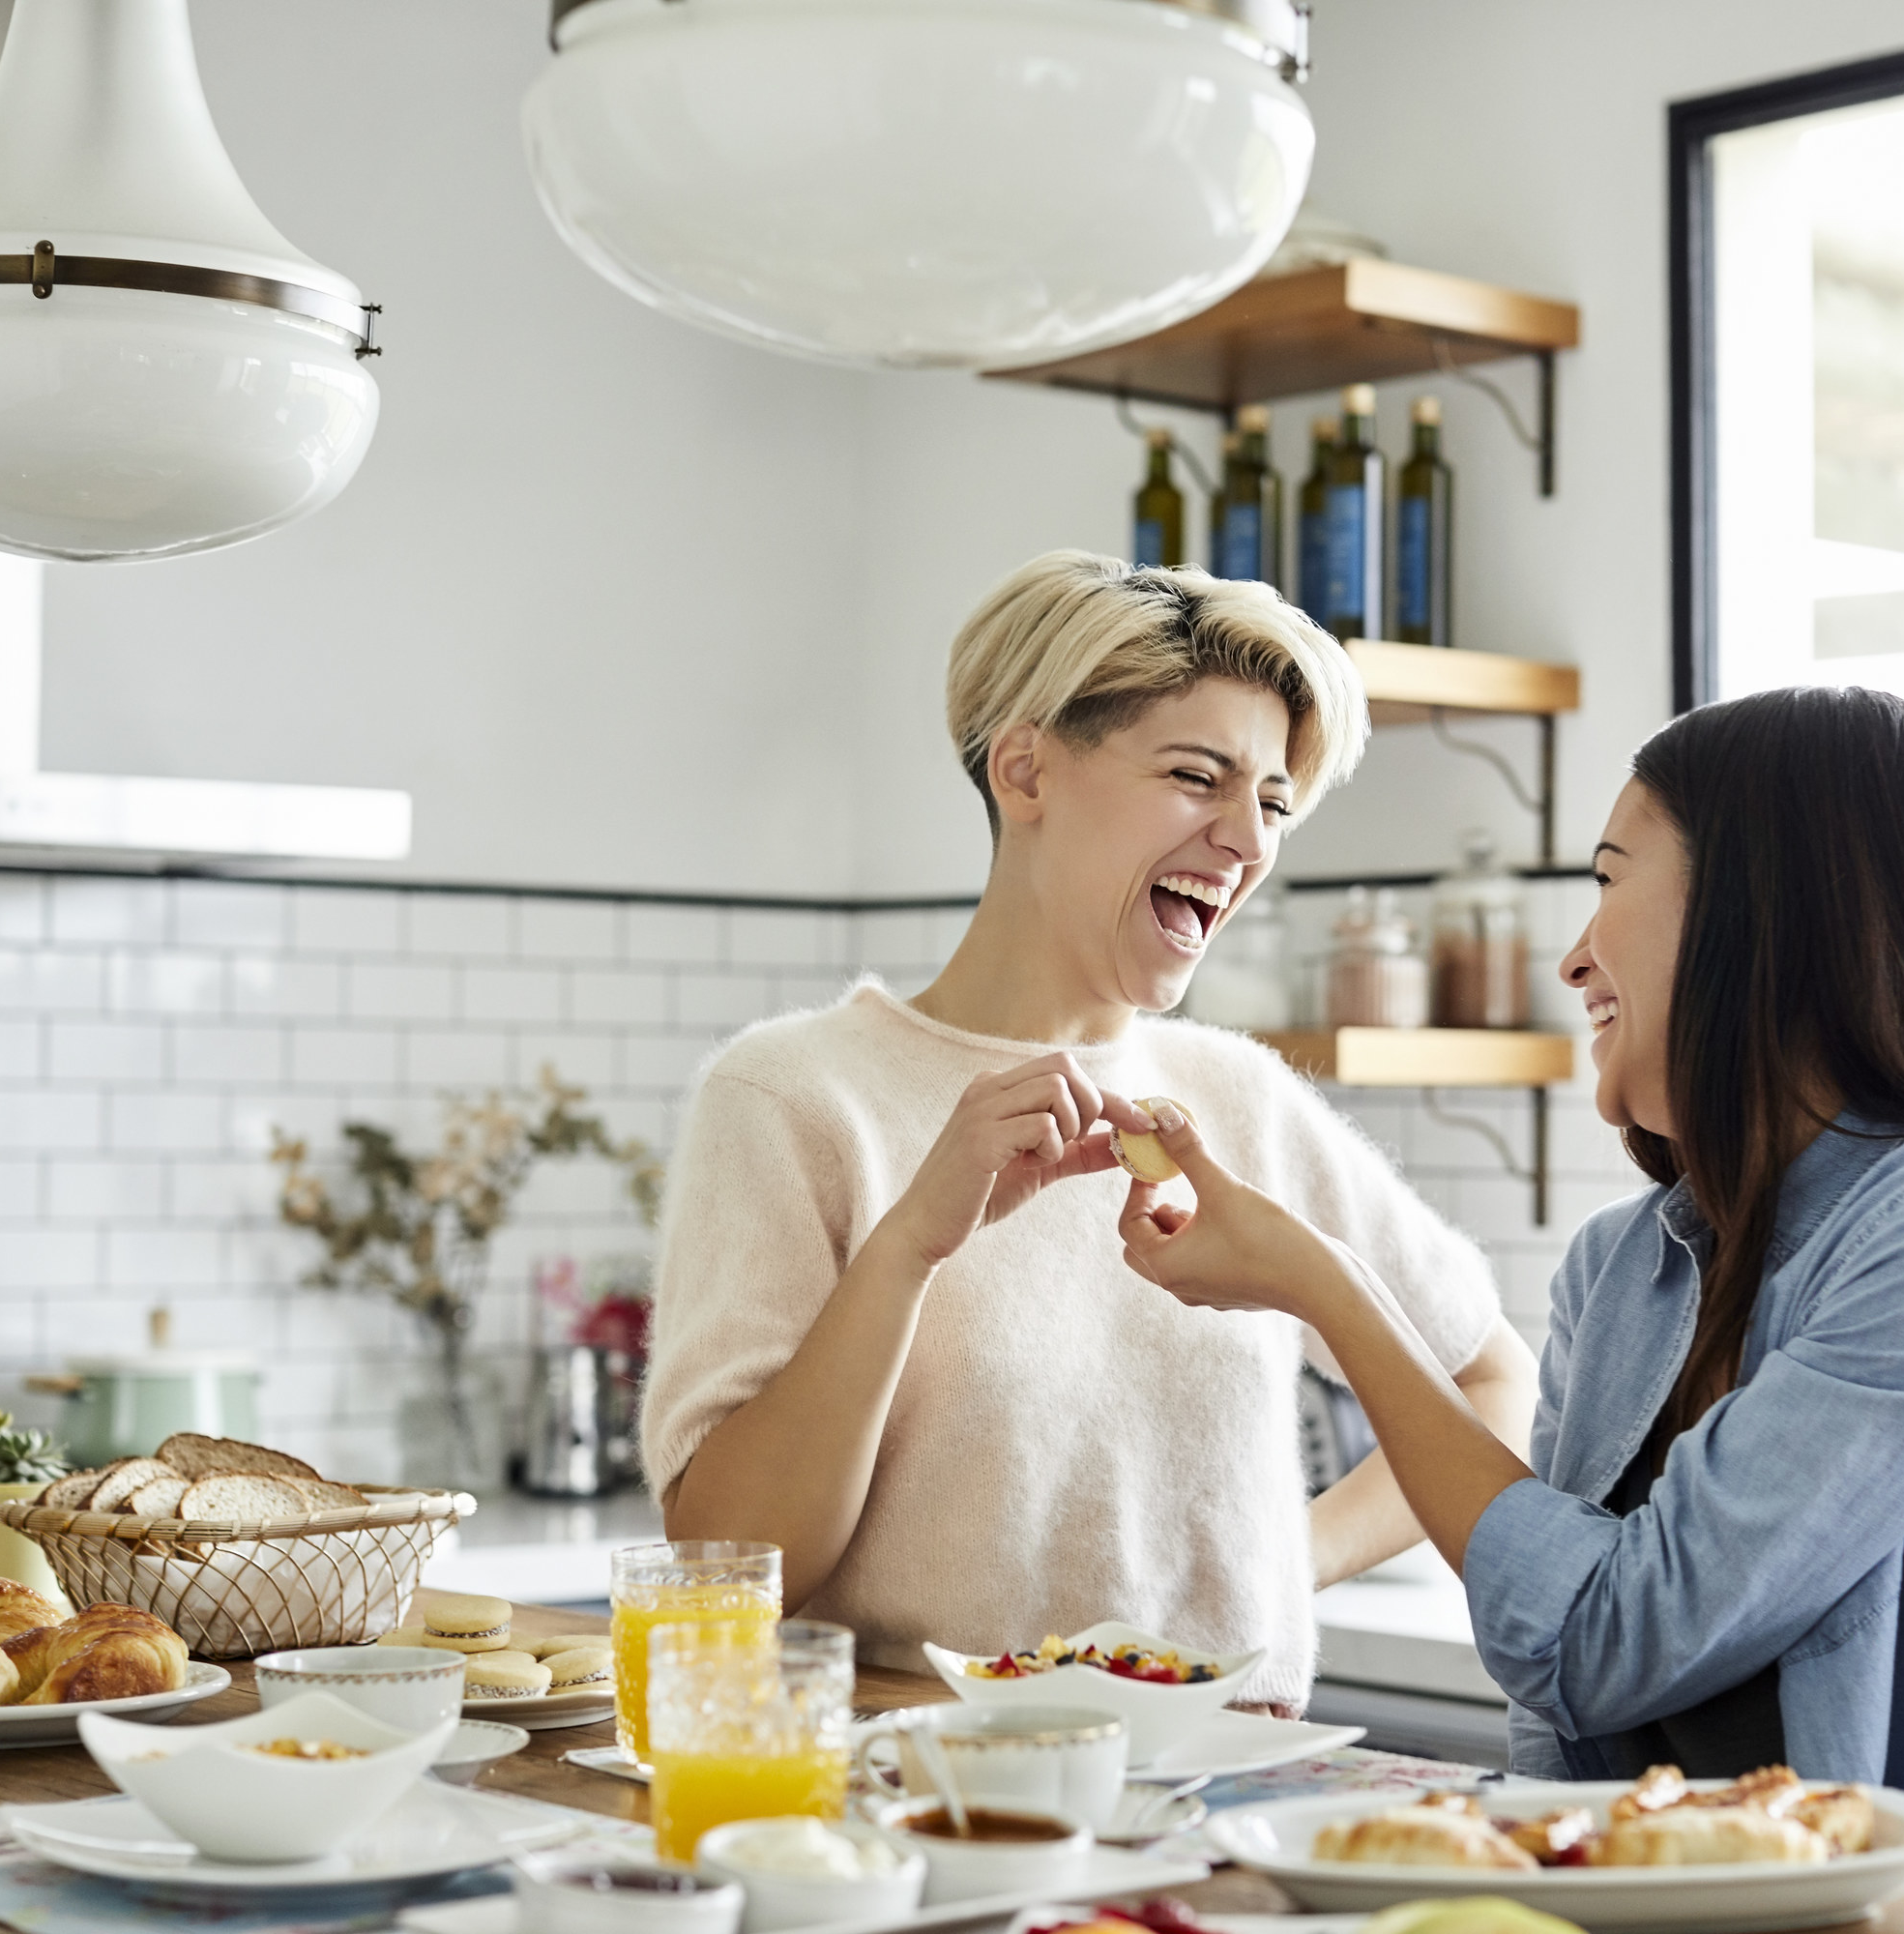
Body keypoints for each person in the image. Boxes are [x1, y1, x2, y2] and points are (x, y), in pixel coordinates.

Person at [1110, 685, 1904, 1880]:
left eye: (1608, 879)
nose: (1574, 953)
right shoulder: (1624, 1265)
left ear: (1766, 914)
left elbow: (1607, 1634)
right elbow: (1560, 1696)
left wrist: (1329, 1289)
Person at [641, 550, 1538, 1712]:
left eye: (1270, 801)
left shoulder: (1239, 1098)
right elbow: (730, 1560)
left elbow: (1485, 1374)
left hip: (1226, 1801)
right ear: (1025, 770)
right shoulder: (794, 1097)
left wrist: (1283, 1561)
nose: (1249, 840)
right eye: (1195, 776)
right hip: (926, 1805)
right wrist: (911, 1241)